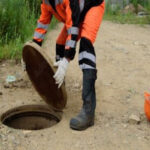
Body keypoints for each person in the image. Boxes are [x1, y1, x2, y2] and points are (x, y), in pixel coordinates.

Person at [33, 0, 105, 130]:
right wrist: (32, 49)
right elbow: (43, 24)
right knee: (60, 44)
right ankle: (59, 90)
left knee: (85, 45)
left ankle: (88, 111)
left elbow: (73, 28)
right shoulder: (46, 2)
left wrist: (66, 60)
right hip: (77, 14)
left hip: (93, 5)